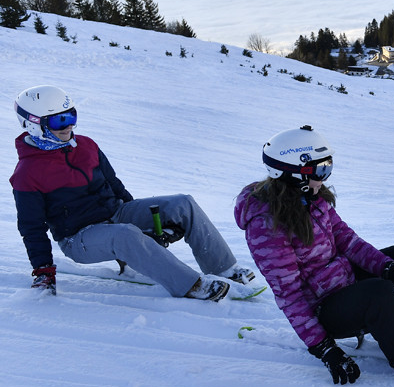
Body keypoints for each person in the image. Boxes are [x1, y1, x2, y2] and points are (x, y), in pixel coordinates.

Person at [234, 126, 394, 385]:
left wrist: (391, 269)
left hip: (345, 278)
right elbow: (290, 296)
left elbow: (350, 243)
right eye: (321, 170)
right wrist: (326, 350)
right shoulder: (267, 226)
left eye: (328, 167)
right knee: (378, 292)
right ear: (295, 172)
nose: (325, 177)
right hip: (326, 309)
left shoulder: (311, 199)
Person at [10, 85, 254, 301]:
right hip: (78, 237)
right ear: (33, 124)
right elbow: (32, 227)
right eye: (59, 121)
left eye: (71, 116)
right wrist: (43, 271)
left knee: (183, 204)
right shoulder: (27, 173)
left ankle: (224, 268)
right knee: (124, 235)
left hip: (116, 213)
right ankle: (193, 286)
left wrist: (143, 227)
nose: (69, 126)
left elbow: (114, 184)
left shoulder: (86, 145)